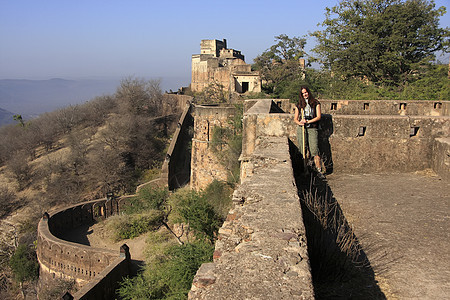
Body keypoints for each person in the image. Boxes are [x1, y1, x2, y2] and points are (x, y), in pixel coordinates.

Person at [293, 86, 323, 173]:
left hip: (312, 127)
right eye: (303, 93)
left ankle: (319, 171)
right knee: (303, 149)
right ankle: (305, 171)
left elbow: (318, 117)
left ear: (308, 92)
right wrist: (300, 122)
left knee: (314, 150)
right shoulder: (299, 104)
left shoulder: (315, 103)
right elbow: (295, 119)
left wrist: (308, 121)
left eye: (306, 92)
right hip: (302, 128)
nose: (305, 94)